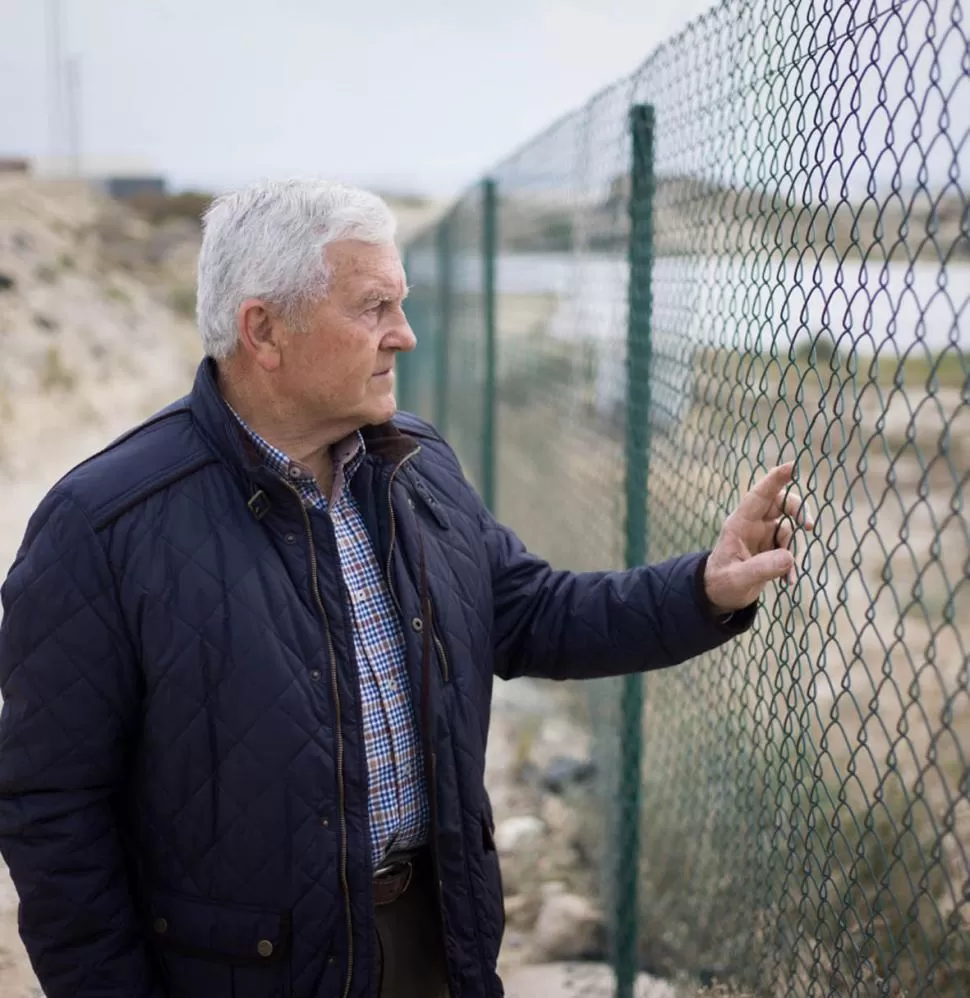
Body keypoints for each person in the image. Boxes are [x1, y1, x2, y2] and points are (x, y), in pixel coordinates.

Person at [0, 179, 811, 998]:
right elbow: (51, 807)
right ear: (265, 330)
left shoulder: (414, 467)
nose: (406, 336)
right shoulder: (102, 525)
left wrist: (705, 586)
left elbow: (530, 611)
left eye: (402, 303)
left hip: (437, 941)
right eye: (374, 307)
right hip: (241, 973)